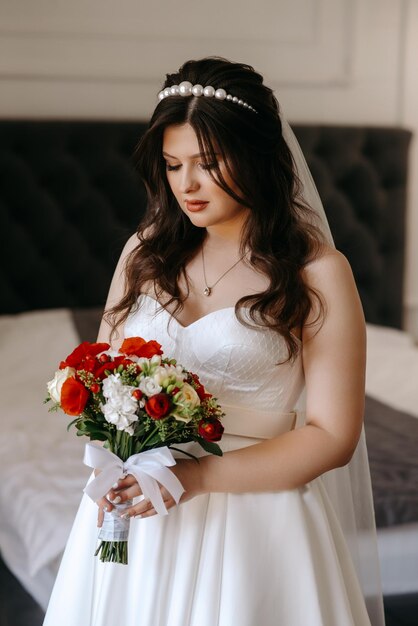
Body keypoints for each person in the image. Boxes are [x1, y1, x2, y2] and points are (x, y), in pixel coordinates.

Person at [43, 57, 385, 626]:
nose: (187, 184)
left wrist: (197, 476)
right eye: (174, 165)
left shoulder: (317, 271)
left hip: (261, 525)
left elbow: (332, 436)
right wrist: (112, 461)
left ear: (255, 157)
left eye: (208, 163)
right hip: (142, 510)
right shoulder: (144, 252)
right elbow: (98, 376)